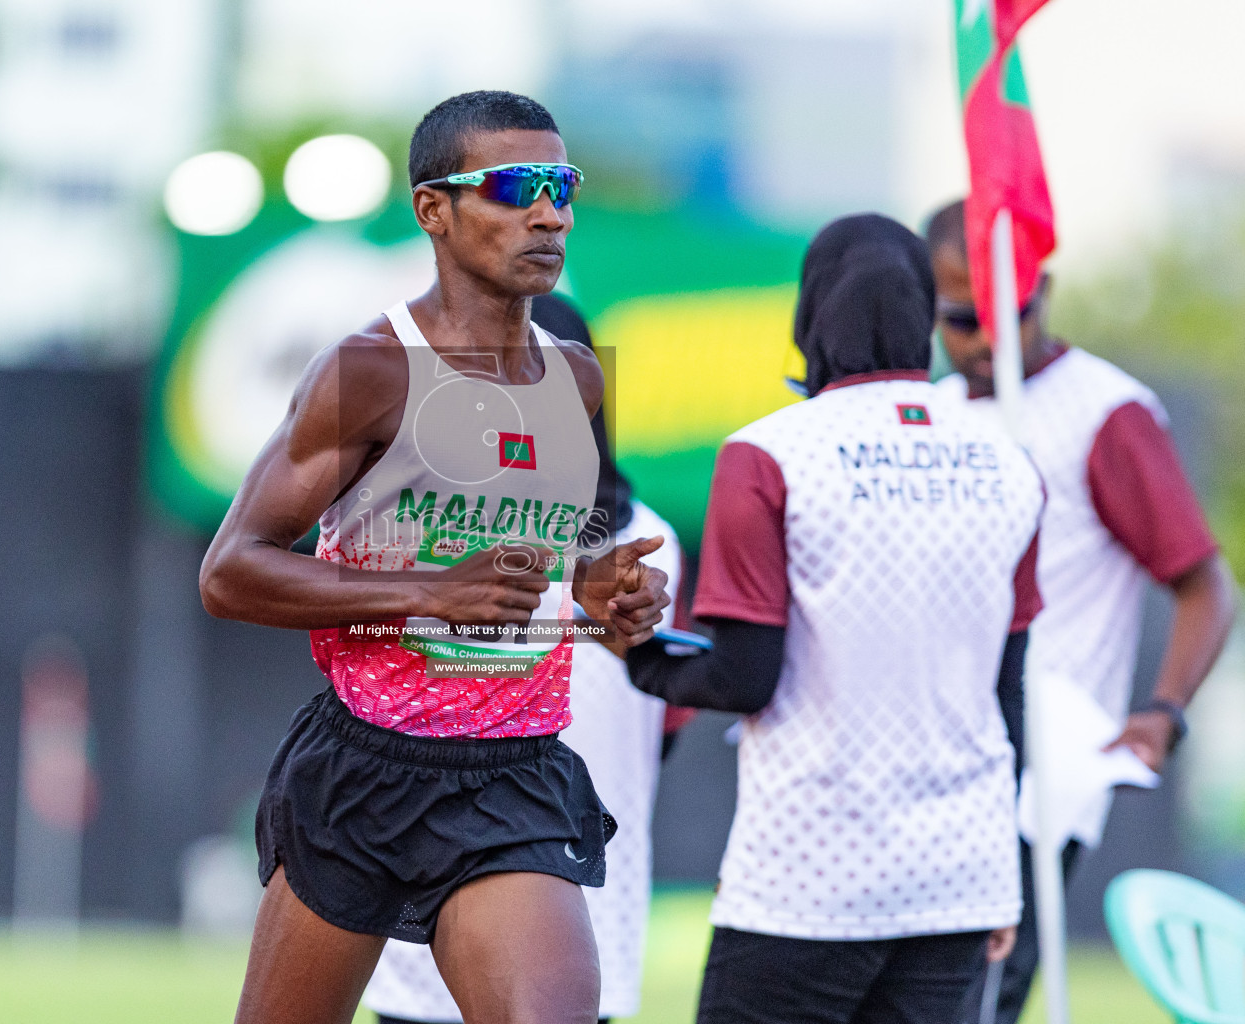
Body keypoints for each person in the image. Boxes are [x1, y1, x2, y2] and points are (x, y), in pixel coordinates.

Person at [198, 91, 671, 1024]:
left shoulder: (575, 377)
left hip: (511, 775)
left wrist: (590, 600)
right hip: (366, 770)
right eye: (513, 187)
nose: (550, 212)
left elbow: (506, 584)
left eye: (561, 185)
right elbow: (230, 572)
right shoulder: (366, 370)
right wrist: (429, 593)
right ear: (434, 211)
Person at [627, 214, 1043, 1024]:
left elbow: (743, 677)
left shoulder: (769, 453)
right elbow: (1011, 691)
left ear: (809, 313)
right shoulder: (1011, 460)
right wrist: (1004, 872)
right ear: (924, 313)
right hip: (961, 873)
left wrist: (637, 655)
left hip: (811, 869)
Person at [924, 199, 1238, 1024]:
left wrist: (1162, 713)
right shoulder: (934, 411)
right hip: (928, 758)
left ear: (1045, 289)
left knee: (978, 1000)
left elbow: (1206, 584)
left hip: (1041, 773)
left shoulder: (1107, 411)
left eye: (1009, 312)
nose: (988, 338)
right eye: (961, 318)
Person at [363, 294, 687, 1024]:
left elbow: (661, 709)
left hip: (579, 882)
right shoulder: (428, 518)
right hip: (436, 871)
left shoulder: (645, 541)